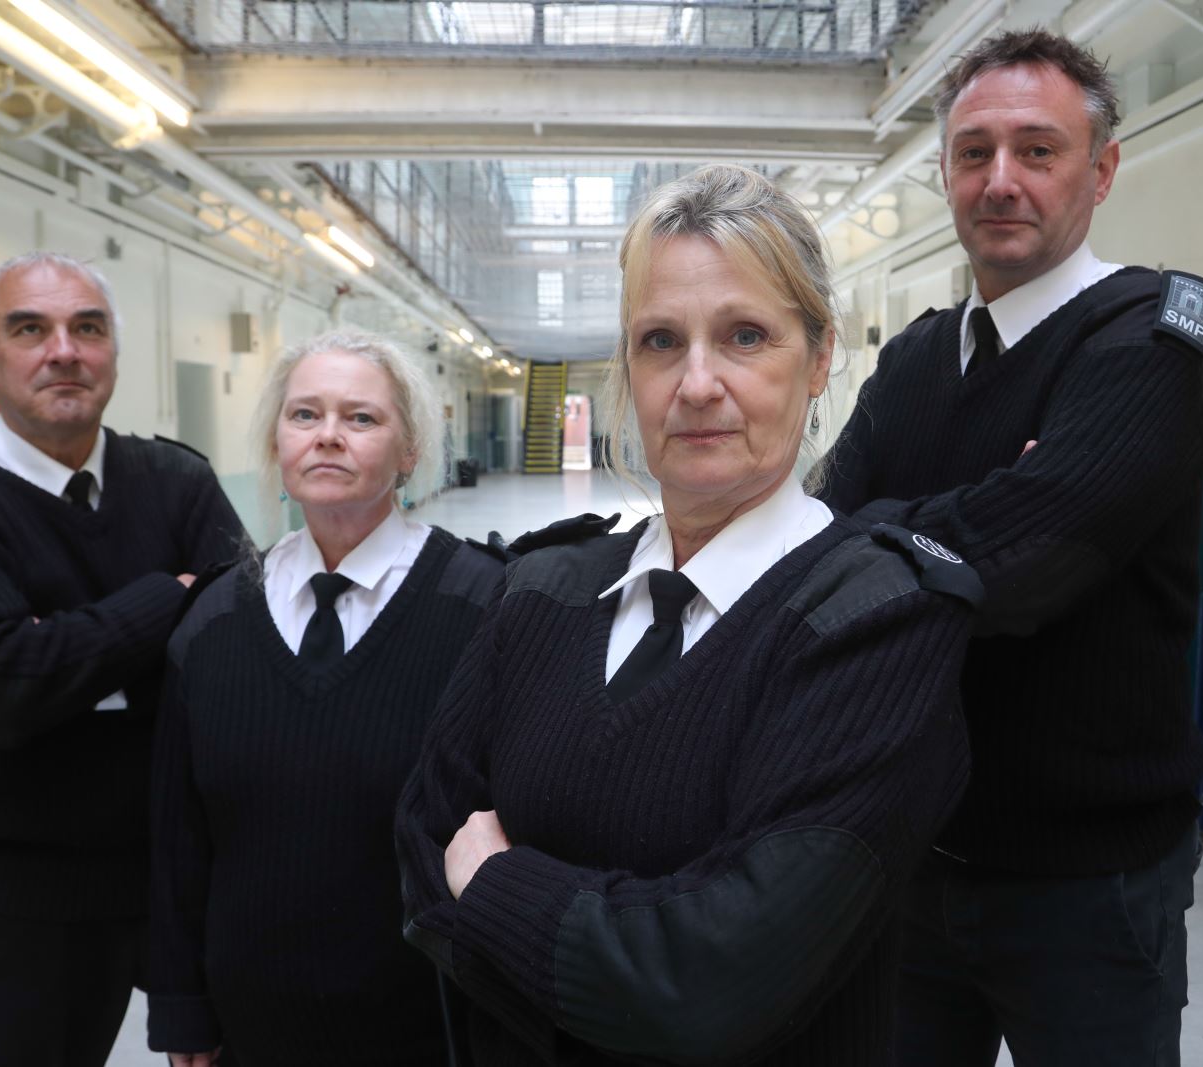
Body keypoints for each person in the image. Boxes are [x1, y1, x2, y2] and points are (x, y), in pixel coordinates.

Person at [396, 164, 982, 1064]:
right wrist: (609, 958)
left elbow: (714, 983)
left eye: (745, 335)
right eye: (661, 340)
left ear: (821, 356)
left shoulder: (878, 623)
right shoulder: (545, 586)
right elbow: (424, 838)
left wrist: (502, 889)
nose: (698, 382)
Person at [819, 29, 1203, 1066]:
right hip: (910, 848)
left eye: (1036, 151)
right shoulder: (914, 357)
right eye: (972, 152)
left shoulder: (1148, 339)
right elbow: (816, 538)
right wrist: (957, 519)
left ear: (1101, 168)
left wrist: (889, 526)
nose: (999, 181)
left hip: (1088, 877)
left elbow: (1024, 562)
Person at [0, 251, 246, 1067]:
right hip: (33, 892)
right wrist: (166, 596)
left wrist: (65, 646)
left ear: (113, 348)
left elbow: (237, 655)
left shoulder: (175, 478)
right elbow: (4, 686)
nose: (63, 350)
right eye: (29, 328)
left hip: (186, 861)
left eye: (88, 327)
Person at [147, 330, 503, 1066]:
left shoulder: (480, 606)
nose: (329, 436)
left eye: (361, 418)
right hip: (253, 1018)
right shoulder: (212, 620)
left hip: (423, 1022)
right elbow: (180, 837)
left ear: (409, 450)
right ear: (277, 446)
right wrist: (181, 1008)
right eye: (304, 415)